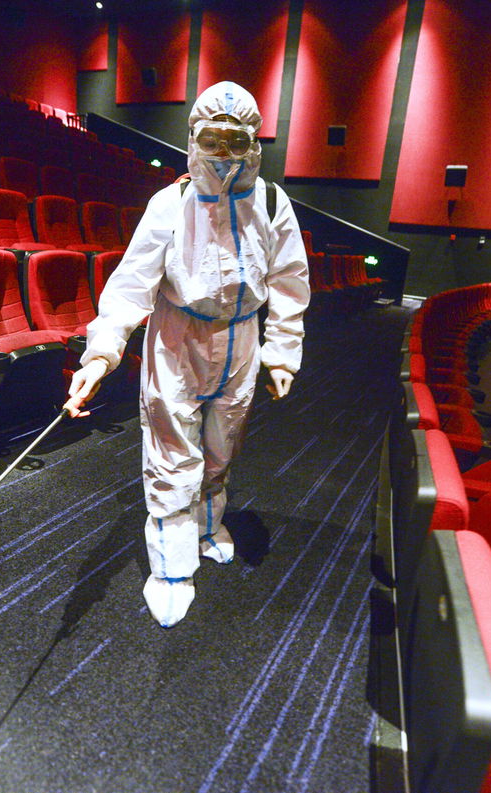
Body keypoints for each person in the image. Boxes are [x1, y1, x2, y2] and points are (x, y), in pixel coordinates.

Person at [64, 81, 310, 628]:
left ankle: (206, 526)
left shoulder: (271, 202)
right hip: (178, 339)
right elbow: (130, 287)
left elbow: (290, 281)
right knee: (173, 455)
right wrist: (99, 358)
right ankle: (171, 566)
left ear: (253, 143)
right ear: (194, 139)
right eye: (212, 139)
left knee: (223, 446)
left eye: (235, 140)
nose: (223, 154)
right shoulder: (170, 202)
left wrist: (281, 353)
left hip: (242, 339)